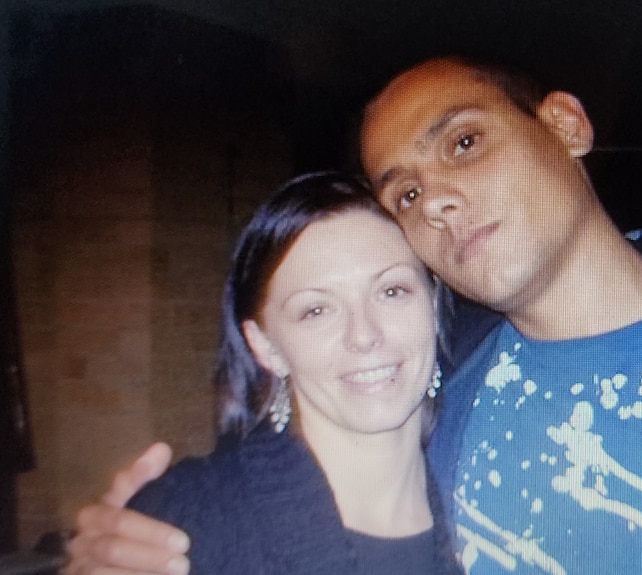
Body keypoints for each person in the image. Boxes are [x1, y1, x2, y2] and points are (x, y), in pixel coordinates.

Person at [66, 56, 642, 575]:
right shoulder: (438, 394)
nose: (436, 195)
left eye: (464, 142)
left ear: (566, 125)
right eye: (405, 193)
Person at [65, 172, 463, 575]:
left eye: (392, 291)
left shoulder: (481, 505)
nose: (364, 335)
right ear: (265, 346)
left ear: (432, 305)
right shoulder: (182, 523)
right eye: (316, 310)